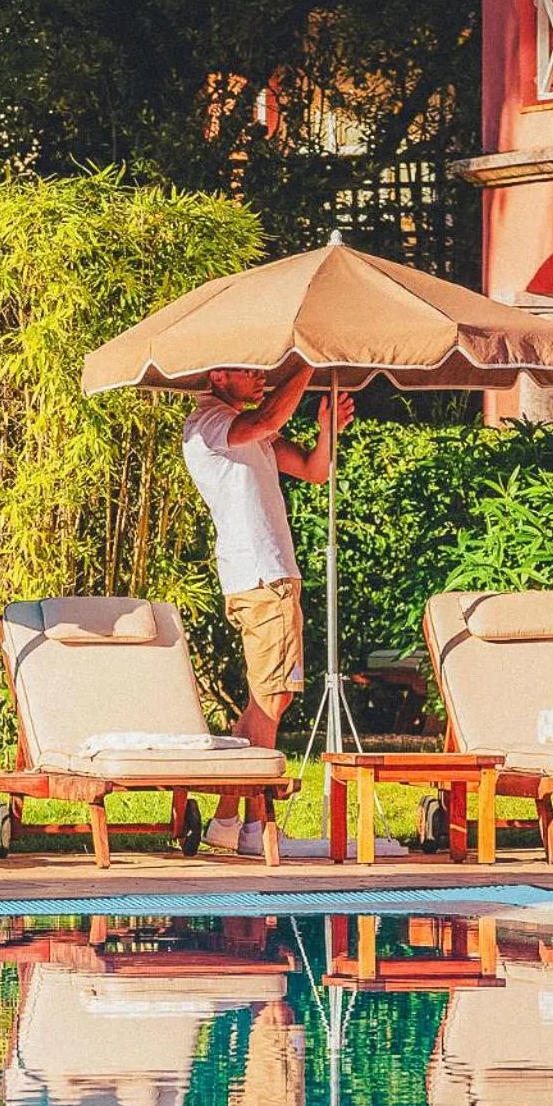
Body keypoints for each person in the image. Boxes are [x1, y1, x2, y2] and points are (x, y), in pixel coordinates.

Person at [182, 363, 353, 856]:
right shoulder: (213, 423)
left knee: (265, 700)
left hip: (268, 577)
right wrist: (308, 363)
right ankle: (257, 825)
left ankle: (228, 821)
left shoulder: (246, 429)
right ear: (216, 376)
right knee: (272, 700)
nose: (261, 377)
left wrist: (326, 433)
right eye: (248, 370)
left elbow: (314, 471)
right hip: (261, 577)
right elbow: (264, 423)